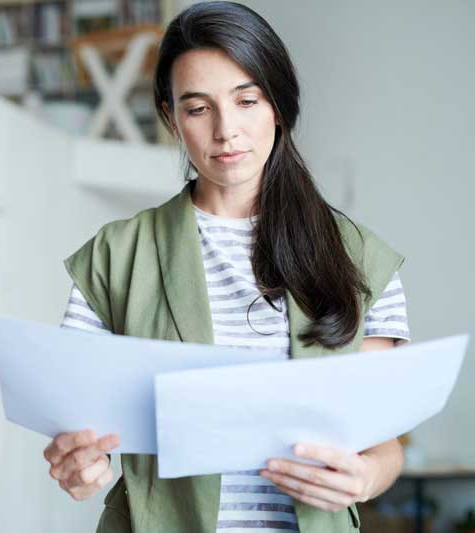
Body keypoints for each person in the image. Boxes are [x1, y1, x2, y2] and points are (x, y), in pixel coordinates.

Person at [42, 2, 410, 532]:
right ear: (171, 117)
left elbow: (383, 442)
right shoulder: (116, 254)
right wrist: (78, 464)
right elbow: (76, 422)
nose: (226, 130)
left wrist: (366, 478)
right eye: (198, 108)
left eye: (247, 100)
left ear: (277, 106)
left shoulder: (360, 256)